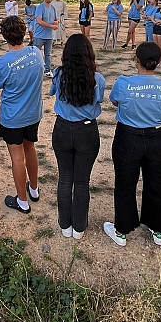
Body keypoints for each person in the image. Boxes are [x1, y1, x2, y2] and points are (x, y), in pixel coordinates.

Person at [104, 42, 161, 247]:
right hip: (158, 137)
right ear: (159, 61)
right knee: (158, 184)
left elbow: (114, 101)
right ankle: (158, 229)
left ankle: (122, 230)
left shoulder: (123, 83)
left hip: (128, 137)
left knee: (125, 184)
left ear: (136, 60)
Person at [50, 34, 105, 240]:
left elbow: (52, 92)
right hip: (87, 131)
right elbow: (98, 100)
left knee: (65, 177)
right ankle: (79, 227)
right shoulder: (97, 79)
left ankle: (65, 224)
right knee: (81, 181)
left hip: (62, 129)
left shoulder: (58, 74)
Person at [0, 16, 44, 215]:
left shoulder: (3, 62)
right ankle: (34, 189)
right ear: (23, 33)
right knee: (30, 148)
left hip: (13, 116)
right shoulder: (35, 53)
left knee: (16, 157)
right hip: (33, 113)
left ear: (4, 36)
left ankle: (22, 200)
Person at [33, 0, 58, 78]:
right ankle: (35, 70)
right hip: (39, 35)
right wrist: (51, 26)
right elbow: (39, 21)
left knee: (47, 54)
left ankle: (47, 70)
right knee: (36, 53)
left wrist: (56, 23)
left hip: (49, 36)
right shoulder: (40, 8)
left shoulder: (53, 8)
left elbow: (55, 20)